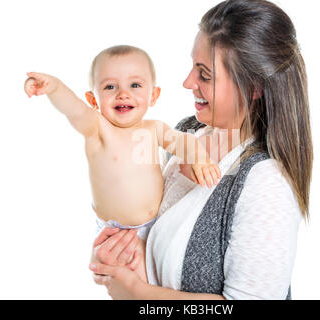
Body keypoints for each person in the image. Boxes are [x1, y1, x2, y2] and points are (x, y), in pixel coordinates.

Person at [89, 0, 313, 300]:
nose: (187, 82)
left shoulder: (267, 181)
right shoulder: (186, 131)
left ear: (254, 87)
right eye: (192, 67)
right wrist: (120, 251)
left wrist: (136, 294)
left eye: (204, 74)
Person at [23, 46, 221, 278]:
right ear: (93, 99)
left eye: (135, 85)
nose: (123, 94)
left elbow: (182, 141)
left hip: (156, 225)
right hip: (117, 234)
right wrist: (54, 87)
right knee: (132, 283)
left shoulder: (153, 129)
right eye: (110, 87)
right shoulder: (98, 129)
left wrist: (198, 157)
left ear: (153, 95)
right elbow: (73, 109)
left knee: (163, 281)